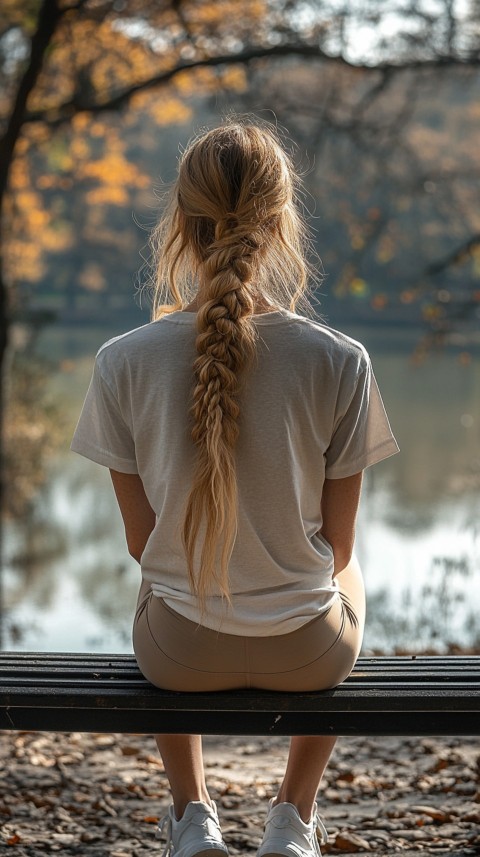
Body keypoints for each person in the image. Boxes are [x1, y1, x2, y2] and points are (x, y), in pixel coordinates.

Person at [71, 119, 399, 857]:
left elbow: (138, 542)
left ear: (179, 223)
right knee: (349, 571)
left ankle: (193, 817)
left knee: (160, 573)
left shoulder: (121, 360)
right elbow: (337, 546)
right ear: (280, 222)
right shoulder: (341, 360)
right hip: (310, 653)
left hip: (178, 654)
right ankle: (291, 817)